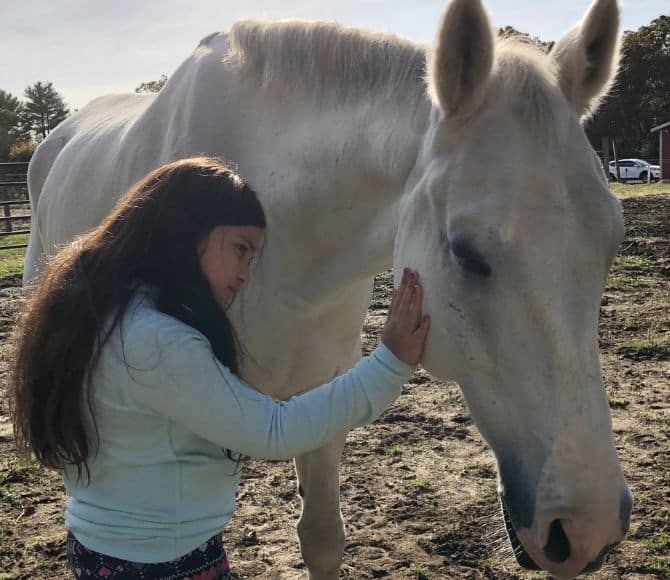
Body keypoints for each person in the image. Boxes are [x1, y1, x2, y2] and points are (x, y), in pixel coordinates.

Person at [10, 157, 430, 579]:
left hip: (112, 552)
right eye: (240, 250)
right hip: (159, 565)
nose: (246, 275)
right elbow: (274, 432)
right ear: (187, 234)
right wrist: (389, 364)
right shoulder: (157, 342)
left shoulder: (105, 309)